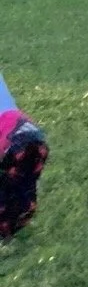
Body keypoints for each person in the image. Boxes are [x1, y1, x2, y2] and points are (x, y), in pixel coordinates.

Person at [0, 69, 48, 239]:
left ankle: (6, 230)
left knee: (5, 187)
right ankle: (21, 216)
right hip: (35, 136)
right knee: (24, 185)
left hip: (15, 140)